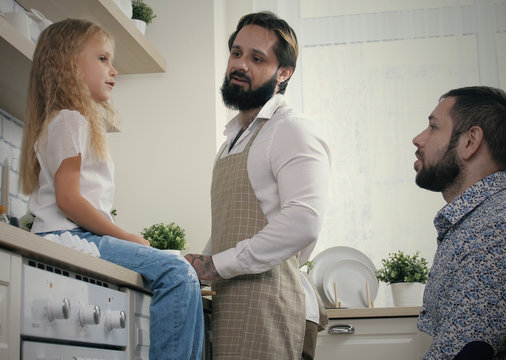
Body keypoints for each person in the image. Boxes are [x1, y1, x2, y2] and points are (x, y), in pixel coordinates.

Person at [18, 19, 203, 360]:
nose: (113, 70)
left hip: (72, 237)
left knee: (180, 273)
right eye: (102, 59)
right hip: (71, 237)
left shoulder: (67, 121)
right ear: (69, 65)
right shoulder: (70, 120)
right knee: (178, 273)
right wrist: (126, 236)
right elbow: (69, 199)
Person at [184, 11, 331, 360]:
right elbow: (230, 227)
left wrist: (216, 266)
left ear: (284, 73)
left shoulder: (291, 129)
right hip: (234, 303)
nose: (240, 65)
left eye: (256, 58)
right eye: (236, 53)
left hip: (275, 304)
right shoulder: (231, 141)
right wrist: (198, 265)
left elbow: (303, 221)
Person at [412, 86, 506, 359]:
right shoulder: (476, 224)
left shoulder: (501, 230)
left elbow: (461, 354)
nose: (418, 139)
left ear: (470, 142)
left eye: (433, 127)